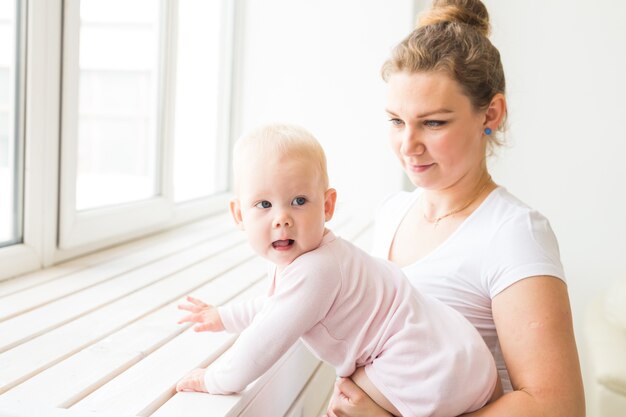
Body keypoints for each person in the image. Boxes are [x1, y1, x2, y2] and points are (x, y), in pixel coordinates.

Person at [324, 1, 585, 416]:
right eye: (395, 121)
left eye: (434, 123)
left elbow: (559, 407)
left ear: (491, 113)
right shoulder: (393, 211)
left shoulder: (514, 233)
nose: (408, 145)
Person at [175, 123, 502, 417]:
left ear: (327, 206)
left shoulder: (317, 270)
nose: (282, 218)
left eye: (299, 201)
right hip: (455, 351)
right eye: (264, 205)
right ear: (239, 215)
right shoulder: (320, 262)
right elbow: (276, 308)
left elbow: (262, 343)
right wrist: (225, 317)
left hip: (427, 365)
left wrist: (215, 379)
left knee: (347, 402)